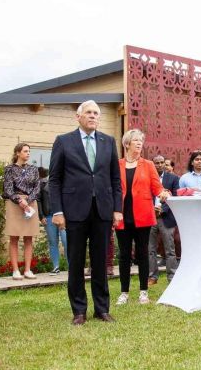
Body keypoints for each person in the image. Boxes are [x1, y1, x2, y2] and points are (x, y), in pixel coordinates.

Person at [49, 100, 122, 325]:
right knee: (76, 262)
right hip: (74, 211)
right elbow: (54, 180)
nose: (93, 116)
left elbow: (115, 179)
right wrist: (57, 211)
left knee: (101, 262)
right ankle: (79, 311)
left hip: (102, 210)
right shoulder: (63, 141)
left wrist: (117, 209)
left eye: (96, 113)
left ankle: (102, 309)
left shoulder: (108, 142)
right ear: (78, 116)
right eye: (88, 112)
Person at [115, 130, 169, 306]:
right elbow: (113, 189)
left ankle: (143, 292)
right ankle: (124, 292)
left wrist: (163, 193)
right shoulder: (117, 165)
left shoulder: (148, 165)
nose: (139, 143)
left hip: (143, 216)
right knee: (124, 255)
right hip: (122, 216)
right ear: (127, 144)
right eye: (135, 140)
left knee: (143, 254)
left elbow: (157, 187)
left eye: (141, 140)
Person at [3, 143, 41, 280]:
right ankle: (15, 270)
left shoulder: (34, 169)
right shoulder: (9, 169)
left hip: (30, 204)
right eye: (25, 151)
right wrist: (19, 200)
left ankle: (27, 270)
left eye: (29, 151)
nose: (28, 153)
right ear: (17, 153)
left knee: (28, 237)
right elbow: (7, 188)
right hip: (14, 204)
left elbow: (37, 187)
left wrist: (28, 200)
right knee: (14, 237)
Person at [148, 155, 180, 285]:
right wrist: (152, 210)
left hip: (166, 218)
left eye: (162, 162)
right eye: (157, 163)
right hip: (150, 217)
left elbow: (175, 197)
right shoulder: (148, 178)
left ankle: (172, 276)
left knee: (170, 249)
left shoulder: (173, 179)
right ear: (153, 164)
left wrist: (162, 209)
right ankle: (152, 276)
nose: (160, 165)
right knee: (150, 249)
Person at [37, 167, 67, 275]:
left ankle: (71, 266)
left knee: (66, 241)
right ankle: (56, 267)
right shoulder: (42, 184)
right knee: (53, 242)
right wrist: (41, 216)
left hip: (63, 216)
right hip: (49, 216)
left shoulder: (65, 182)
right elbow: (38, 199)